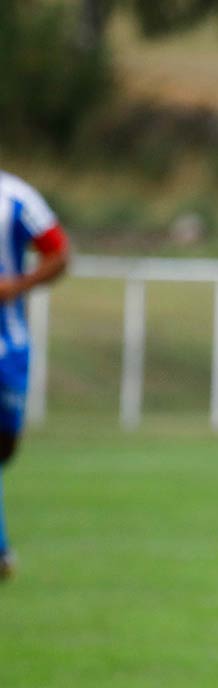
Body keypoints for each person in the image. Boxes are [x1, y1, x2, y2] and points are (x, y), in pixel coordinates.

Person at [0, 168, 72, 580]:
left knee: (6, 447)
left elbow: (60, 254)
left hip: (9, 345)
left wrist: (18, 285)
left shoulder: (16, 198)